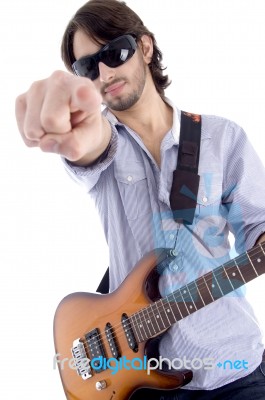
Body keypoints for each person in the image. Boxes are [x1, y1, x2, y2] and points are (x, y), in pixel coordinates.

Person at [15, 0, 265, 399]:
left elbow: (258, 224)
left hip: (235, 368)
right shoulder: (104, 143)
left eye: (114, 53)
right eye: (87, 67)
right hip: (143, 382)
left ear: (145, 48)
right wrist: (73, 131)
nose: (105, 73)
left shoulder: (223, 138)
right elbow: (90, 146)